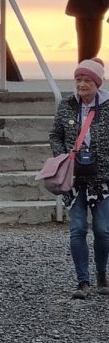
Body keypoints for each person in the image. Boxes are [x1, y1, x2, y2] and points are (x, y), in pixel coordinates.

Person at [49, 59, 109, 300]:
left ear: (97, 83)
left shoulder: (107, 106)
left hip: (103, 178)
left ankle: (102, 275)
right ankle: (82, 281)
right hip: (74, 178)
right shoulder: (66, 105)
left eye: (87, 80)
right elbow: (55, 134)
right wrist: (63, 157)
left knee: (103, 230)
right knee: (77, 229)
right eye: (78, 80)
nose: (82, 84)